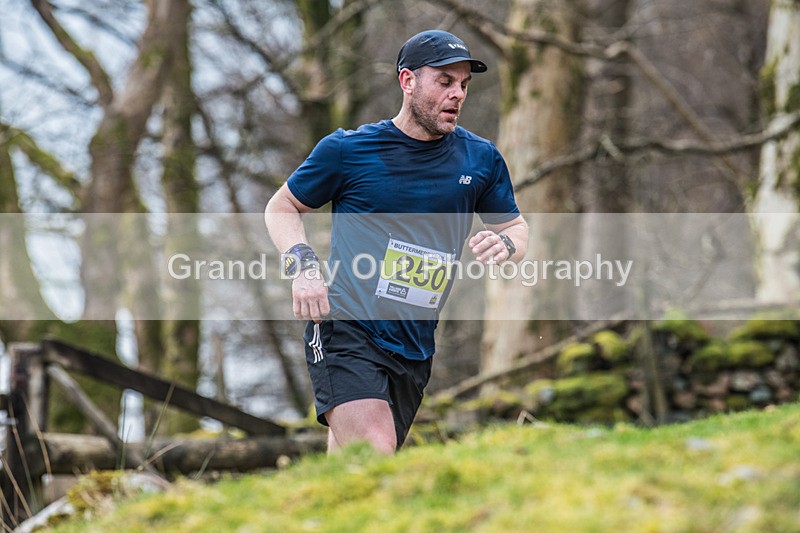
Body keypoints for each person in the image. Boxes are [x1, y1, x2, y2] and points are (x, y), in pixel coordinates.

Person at [265, 30, 528, 454]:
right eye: (444, 81)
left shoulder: (480, 159)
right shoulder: (348, 151)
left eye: (463, 84)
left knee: (354, 475)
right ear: (408, 81)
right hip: (345, 327)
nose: (457, 94)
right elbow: (281, 207)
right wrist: (304, 266)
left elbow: (516, 228)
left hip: (414, 345)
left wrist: (508, 246)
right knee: (376, 450)